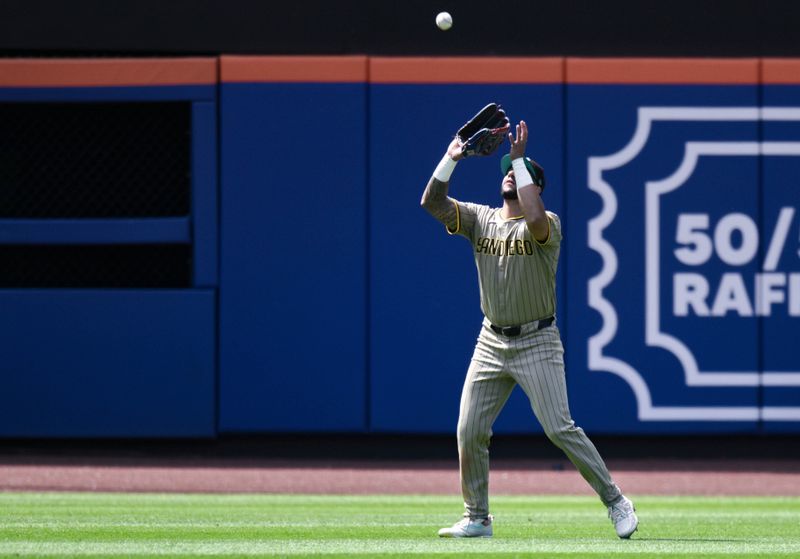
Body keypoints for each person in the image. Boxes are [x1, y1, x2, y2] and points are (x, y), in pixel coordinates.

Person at [420, 119, 638, 539]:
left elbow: (534, 218)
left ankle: (616, 501)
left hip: (537, 340)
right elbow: (431, 201)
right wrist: (450, 159)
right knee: (469, 429)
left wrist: (521, 163)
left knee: (558, 427)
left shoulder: (547, 224)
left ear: (534, 186)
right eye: (505, 170)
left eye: (519, 175)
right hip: (491, 340)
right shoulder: (480, 219)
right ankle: (478, 517)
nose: (509, 173)